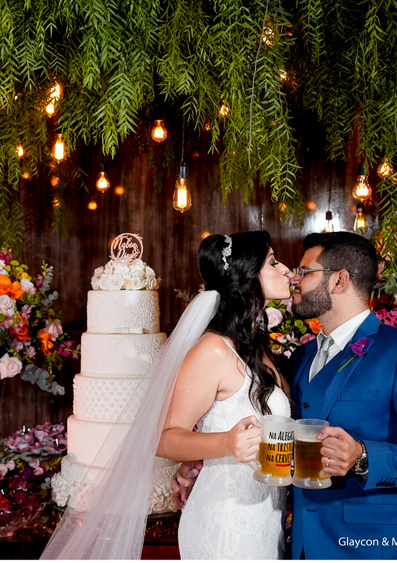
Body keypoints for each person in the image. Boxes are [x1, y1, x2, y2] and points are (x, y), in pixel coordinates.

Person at [173, 231, 397, 559]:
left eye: (305, 271)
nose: (293, 278)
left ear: (339, 281)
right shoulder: (300, 359)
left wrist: (363, 455)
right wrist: (204, 456)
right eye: (283, 266)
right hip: (296, 543)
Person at [41, 231, 294, 559]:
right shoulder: (213, 351)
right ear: (246, 276)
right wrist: (226, 443)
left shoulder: (255, 349)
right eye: (273, 262)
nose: (286, 269)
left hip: (265, 517)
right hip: (226, 523)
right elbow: (163, 438)